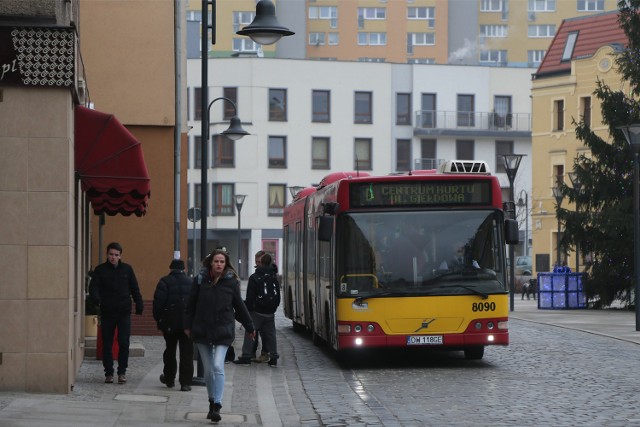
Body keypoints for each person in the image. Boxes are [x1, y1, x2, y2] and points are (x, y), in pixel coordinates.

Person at [184, 249, 255, 423]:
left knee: (217, 365)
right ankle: (211, 401)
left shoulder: (231, 282)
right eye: (216, 261)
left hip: (223, 330)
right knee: (208, 370)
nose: (219, 264)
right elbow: (190, 304)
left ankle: (217, 404)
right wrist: (187, 326)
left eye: (222, 262)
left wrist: (249, 326)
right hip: (202, 329)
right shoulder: (199, 281)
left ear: (226, 264)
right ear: (210, 263)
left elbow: (239, 306)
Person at [90, 242, 144, 384]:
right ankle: (109, 373)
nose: (113, 257)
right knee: (107, 343)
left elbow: (134, 288)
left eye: (116, 255)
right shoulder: (100, 270)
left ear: (120, 256)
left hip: (123, 312)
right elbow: (94, 288)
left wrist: (139, 303)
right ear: (107, 255)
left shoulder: (127, 269)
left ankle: (122, 372)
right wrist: (97, 300)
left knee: (124, 342)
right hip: (107, 312)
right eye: (111, 254)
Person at [152, 259, 194, 392]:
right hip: (187, 324)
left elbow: (158, 303)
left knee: (170, 350)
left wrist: (158, 319)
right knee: (187, 352)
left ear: (171, 268)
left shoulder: (164, 282)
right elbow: (195, 303)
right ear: (184, 269)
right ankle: (185, 383)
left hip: (169, 323)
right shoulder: (191, 282)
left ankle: (169, 378)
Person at [234, 252, 280, 367]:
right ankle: (273, 357)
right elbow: (277, 295)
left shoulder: (254, 277)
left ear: (260, 263)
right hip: (270, 312)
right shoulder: (274, 276)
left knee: (250, 332)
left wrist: (249, 310)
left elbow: (250, 297)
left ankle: (246, 356)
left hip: (257, 312)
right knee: (271, 334)